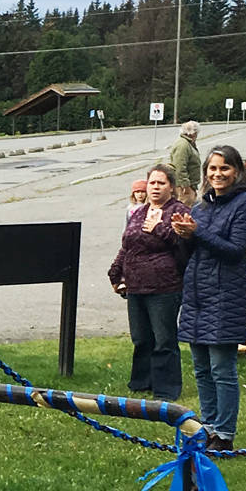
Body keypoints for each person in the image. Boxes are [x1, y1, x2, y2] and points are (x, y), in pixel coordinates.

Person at [172, 144, 246, 452]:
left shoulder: (245, 204)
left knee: (222, 369)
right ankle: (206, 427)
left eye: (224, 168)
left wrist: (197, 233)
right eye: (212, 168)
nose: (218, 174)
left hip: (225, 295)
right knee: (201, 368)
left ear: (237, 171)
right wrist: (182, 236)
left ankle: (224, 434)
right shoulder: (201, 206)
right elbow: (190, 254)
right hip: (197, 295)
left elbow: (235, 250)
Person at [106, 163, 189, 402]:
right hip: (135, 285)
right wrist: (115, 271)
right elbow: (128, 244)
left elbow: (183, 243)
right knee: (141, 338)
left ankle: (166, 389)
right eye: (152, 182)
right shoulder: (140, 211)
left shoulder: (179, 211)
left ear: (171, 187)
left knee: (164, 338)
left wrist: (159, 228)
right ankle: (142, 383)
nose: (155, 187)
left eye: (161, 183)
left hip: (164, 286)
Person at [169, 121, 201, 207]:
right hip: (183, 188)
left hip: (190, 185)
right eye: (197, 132)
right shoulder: (183, 145)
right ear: (193, 133)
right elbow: (179, 167)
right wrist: (185, 186)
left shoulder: (188, 143)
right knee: (184, 209)